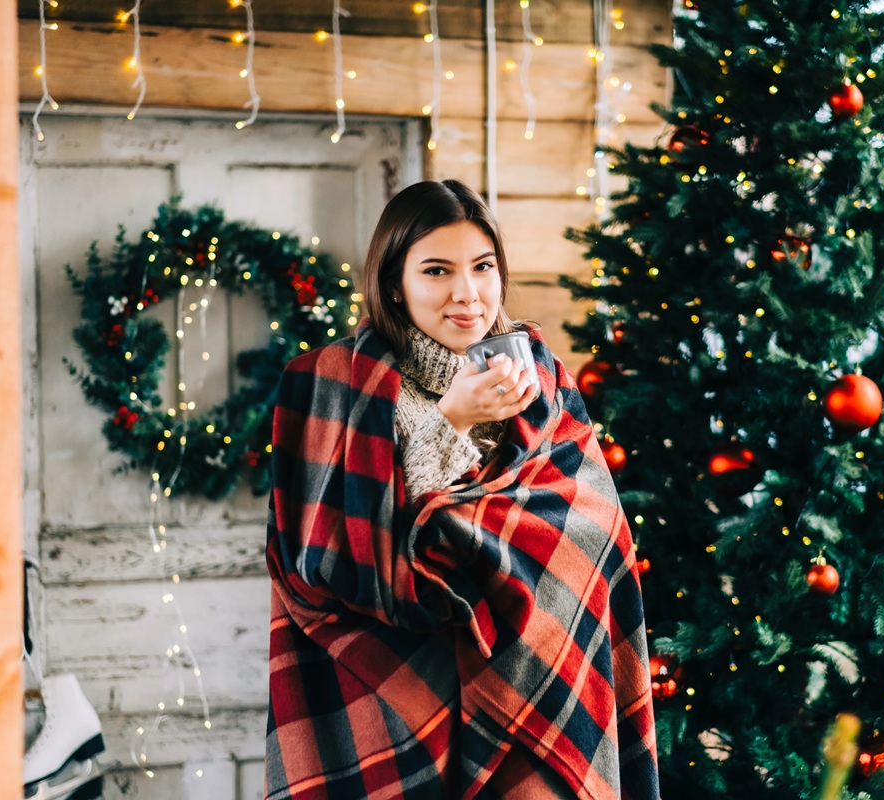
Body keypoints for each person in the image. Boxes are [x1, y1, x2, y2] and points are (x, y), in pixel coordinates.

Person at [264, 179, 659, 800]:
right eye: (437, 271)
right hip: (394, 694)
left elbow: (594, 528)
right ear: (395, 283)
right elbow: (330, 557)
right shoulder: (332, 382)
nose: (467, 294)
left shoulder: (539, 374)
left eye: (482, 266)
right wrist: (450, 421)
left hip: (538, 681)